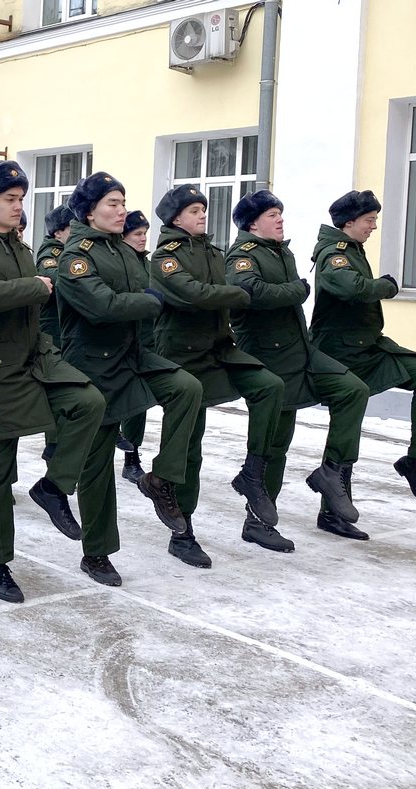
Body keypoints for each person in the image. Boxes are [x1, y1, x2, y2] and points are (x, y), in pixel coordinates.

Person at [0, 161, 105, 599]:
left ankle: (53, 486)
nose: (19, 207)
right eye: (10, 200)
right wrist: (35, 286)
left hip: (35, 358)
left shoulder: (18, 246)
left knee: (88, 402)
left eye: (21, 199)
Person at [54, 173, 203, 585]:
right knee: (97, 466)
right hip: (95, 365)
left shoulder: (124, 250)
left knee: (187, 388)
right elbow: (102, 306)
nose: (121, 211)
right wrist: (150, 302)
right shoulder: (75, 256)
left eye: (123, 203)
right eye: (112, 204)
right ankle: (96, 552)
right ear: (89, 211)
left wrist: (149, 305)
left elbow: (145, 298)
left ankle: (160, 479)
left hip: (136, 356)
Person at [149, 185, 285, 567]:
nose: (203, 215)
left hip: (221, 350)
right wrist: (232, 294)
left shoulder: (213, 251)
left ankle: (252, 474)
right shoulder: (165, 257)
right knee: (190, 449)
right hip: (184, 358)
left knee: (270, 386)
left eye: (204, 209)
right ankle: (183, 533)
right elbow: (192, 295)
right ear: (176, 218)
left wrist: (224, 292)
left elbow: (221, 290)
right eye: (194, 210)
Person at [226, 190, 368, 549]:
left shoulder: (280, 251)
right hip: (269, 358)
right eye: (272, 214)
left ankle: (331, 473)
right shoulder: (242, 256)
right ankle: (257, 522)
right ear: (252, 222)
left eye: (280, 213)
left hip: (301, 350)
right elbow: (250, 292)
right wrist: (296, 290)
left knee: (353, 390)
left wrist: (293, 290)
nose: (280, 219)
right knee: (276, 445)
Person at [311, 190, 416, 514]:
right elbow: (351, 288)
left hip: (368, 347)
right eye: (369, 220)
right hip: (339, 354)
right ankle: (332, 510)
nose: (373, 226)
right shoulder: (335, 253)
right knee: (347, 422)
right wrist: (388, 286)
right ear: (349, 222)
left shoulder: (354, 249)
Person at [33, 204, 73, 462]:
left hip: (65, 328)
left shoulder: (71, 251)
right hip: (53, 329)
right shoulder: (50, 252)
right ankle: (54, 443)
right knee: (57, 388)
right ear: (59, 232)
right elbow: (54, 277)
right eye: (73, 228)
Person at [117, 210, 154, 483]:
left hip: (147, 341)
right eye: (137, 234)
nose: (142, 239)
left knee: (137, 403)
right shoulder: (120, 262)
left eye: (144, 234)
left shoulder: (146, 263)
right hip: (121, 342)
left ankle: (132, 458)